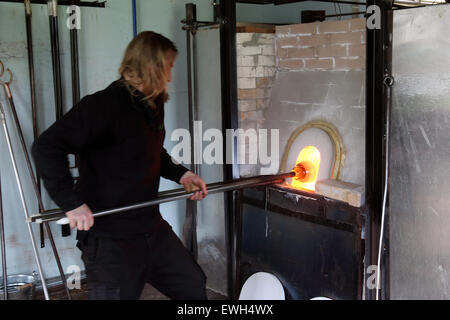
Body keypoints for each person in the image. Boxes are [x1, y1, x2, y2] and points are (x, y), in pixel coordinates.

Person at [32, 31, 208, 300]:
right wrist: (71, 202)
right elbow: (46, 146)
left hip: (150, 227)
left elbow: (150, 151)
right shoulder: (103, 106)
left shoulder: (152, 104)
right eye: (168, 68)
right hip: (110, 239)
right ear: (150, 67)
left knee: (192, 285)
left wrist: (181, 173)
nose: (171, 77)